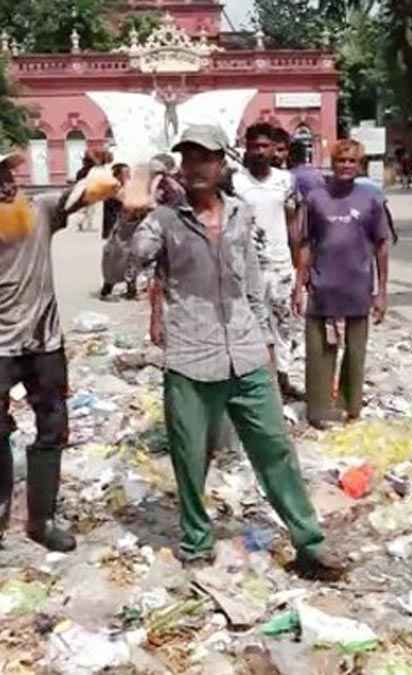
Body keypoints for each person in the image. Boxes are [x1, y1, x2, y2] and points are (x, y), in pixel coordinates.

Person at [132, 125, 346, 578]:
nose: (196, 168)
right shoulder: (165, 221)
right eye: (188, 160)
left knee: (275, 450)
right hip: (191, 354)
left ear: (221, 164)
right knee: (191, 457)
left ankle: (310, 542)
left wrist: (266, 345)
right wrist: (133, 212)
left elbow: (250, 283)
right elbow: (127, 262)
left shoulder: (240, 215)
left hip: (246, 351)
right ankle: (196, 539)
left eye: (205, 158)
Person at [0, 147, 96, 552]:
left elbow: (84, 193)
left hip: (44, 344)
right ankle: (3, 486)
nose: (7, 186)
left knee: (53, 427)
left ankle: (41, 519)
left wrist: (111, 173)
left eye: (8, 176)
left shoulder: (40, 212)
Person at [293, 139, 390, 429]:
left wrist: (381, 292)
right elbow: (306, 243)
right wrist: (299, 285)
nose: (346, 166)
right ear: (332, 163)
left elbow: (382, 245)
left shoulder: (371, 199)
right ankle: (320, 410)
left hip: (358, 286)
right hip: (323, 287)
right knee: (319, 350)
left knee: (355, 351)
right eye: (341, 160)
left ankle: (350, 406)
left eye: (352, 161)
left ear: (359, 166)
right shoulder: (315, 198)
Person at [233, 123, 305, 399]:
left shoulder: (286, 181)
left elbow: (295, 225)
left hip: (280, 265)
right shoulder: (234, 182)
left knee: (283, 322)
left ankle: (283, 378)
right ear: (247, 148)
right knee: (250, 323)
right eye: (254, 146)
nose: (260, 152)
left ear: (274, 149)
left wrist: (299, 269)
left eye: (265, 146)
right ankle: (256, 379)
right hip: (244, 267)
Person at [101, 156, 174, 301]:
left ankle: (131, 289)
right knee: (115, 260)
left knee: (134, 259)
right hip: (123, 231)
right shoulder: (119, 189)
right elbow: (133, 204)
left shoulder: (145, 187)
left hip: (136, 229)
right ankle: (107, 289)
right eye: (125, 173)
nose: (128, 175)